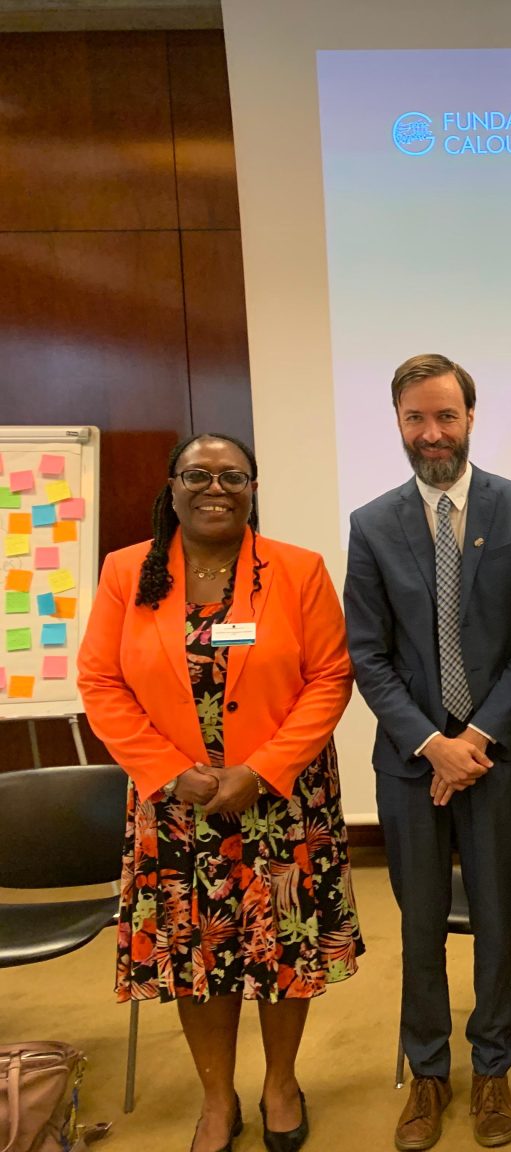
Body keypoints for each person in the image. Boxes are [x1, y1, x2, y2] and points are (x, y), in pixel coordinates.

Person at [78, 432, 360, 1152]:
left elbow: (330, 677)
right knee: (194, 953)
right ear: (171, 488)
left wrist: (262, 770)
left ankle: (281, 1083)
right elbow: (101, 682)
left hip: (280, 802)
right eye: (198, 474)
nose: (216, 487)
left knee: (284, 946)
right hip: (176, 808)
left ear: (252, 488)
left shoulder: (297, 571)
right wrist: (167, 770)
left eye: (232, 476)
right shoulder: (125, 572)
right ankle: (215, 1098)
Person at [344, 353, 511, 1151]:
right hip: (409, 764)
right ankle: (428, 1072)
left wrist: (473, 740)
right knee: (423, 923)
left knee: (498, 918)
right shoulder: (371, 523)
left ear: (471, 417)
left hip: (496, 754)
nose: (432, 434)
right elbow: (369, 654)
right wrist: (433, 744)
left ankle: (493, 1066)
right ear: (398, 424)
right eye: (415, 419)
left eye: (445, 416)